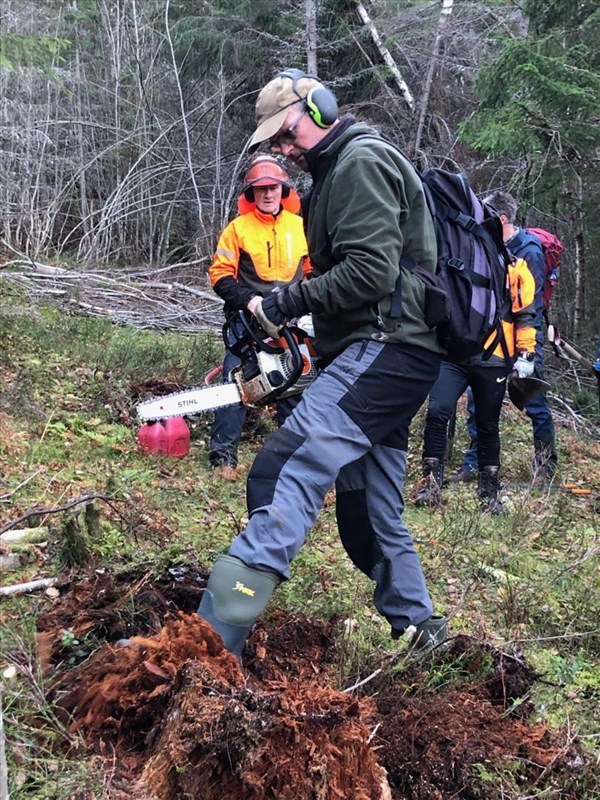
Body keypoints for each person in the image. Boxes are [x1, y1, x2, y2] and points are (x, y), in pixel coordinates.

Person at [196, 68, 447, 660]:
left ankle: (211, 642)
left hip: (388, 347)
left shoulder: (359, 162)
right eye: (273, 141)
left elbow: (372, 273)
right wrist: (311, 334)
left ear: (318, 108)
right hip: (382, 353)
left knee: (284, 466)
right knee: (368, 509)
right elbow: (353, 282)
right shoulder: (333, 175)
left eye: (284, 133)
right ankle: (423, 632)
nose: (281, 149)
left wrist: (288, 301)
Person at [208, 155, 310, 479]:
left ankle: (291, 461)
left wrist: (310, 306)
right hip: (249, 323)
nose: (268, 194)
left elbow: (312, 272)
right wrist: (250, 302)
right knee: (234, 383)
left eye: (273, 188)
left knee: (295, 386)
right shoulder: (238, 230)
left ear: (283, 190)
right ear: (251, 194)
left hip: (291, 321)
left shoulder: (300, 225)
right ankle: (223, 459)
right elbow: (220, 277)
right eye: (261, 189)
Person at [415, 249, 537, 514]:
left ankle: (489, 492)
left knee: (487, 423)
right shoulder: (452, 254)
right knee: (437, 412)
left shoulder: (515, 267)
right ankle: (430, 484)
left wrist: (526, 354)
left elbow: (525, 313)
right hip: (453, 353)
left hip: (495, 357)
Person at [449, 192, 557, 485]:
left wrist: (528, 354)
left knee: (534, 402)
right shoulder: (491, 246)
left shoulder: (530, 251)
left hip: (524, 339)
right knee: (477, 401)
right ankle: (474, 464)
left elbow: (531, 306)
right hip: (493, 339)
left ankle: (545, 469)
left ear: (502, 218)